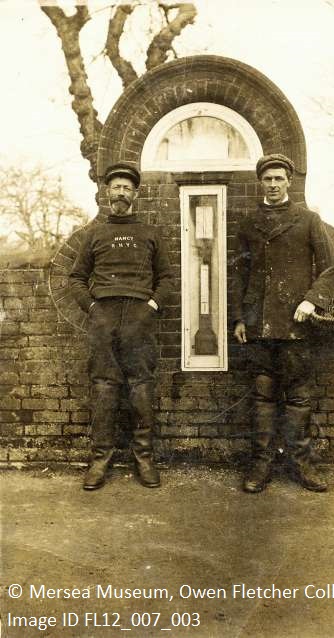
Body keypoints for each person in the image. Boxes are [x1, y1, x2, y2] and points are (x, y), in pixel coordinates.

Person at [232, 153, 334, 493]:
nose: (273, 184)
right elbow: (240, 276)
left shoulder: (308, 221)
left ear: (289, 182)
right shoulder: (248, 224)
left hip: (296, 323)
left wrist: (312, 300)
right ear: (260, 183)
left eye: (279, 178)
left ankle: (302, 465)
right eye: (268, 179)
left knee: (298, 398)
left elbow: (330, 269)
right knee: (262, 398)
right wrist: (238, 318)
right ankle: (260, 466)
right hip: (258, 325)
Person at [69, 162, 172, 490]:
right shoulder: (94, 234)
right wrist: (94, 309)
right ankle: (100, 459)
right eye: (116, 187)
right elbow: (75, 278)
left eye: (127, 188)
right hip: (104, 317)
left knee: (141, 385)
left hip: (139, 316)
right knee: (104, 386)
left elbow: (167, 278)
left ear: (136, 193)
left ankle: (144, 458)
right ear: (106, 193)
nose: (121, 193)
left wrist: (151, 307)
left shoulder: (149, 233)